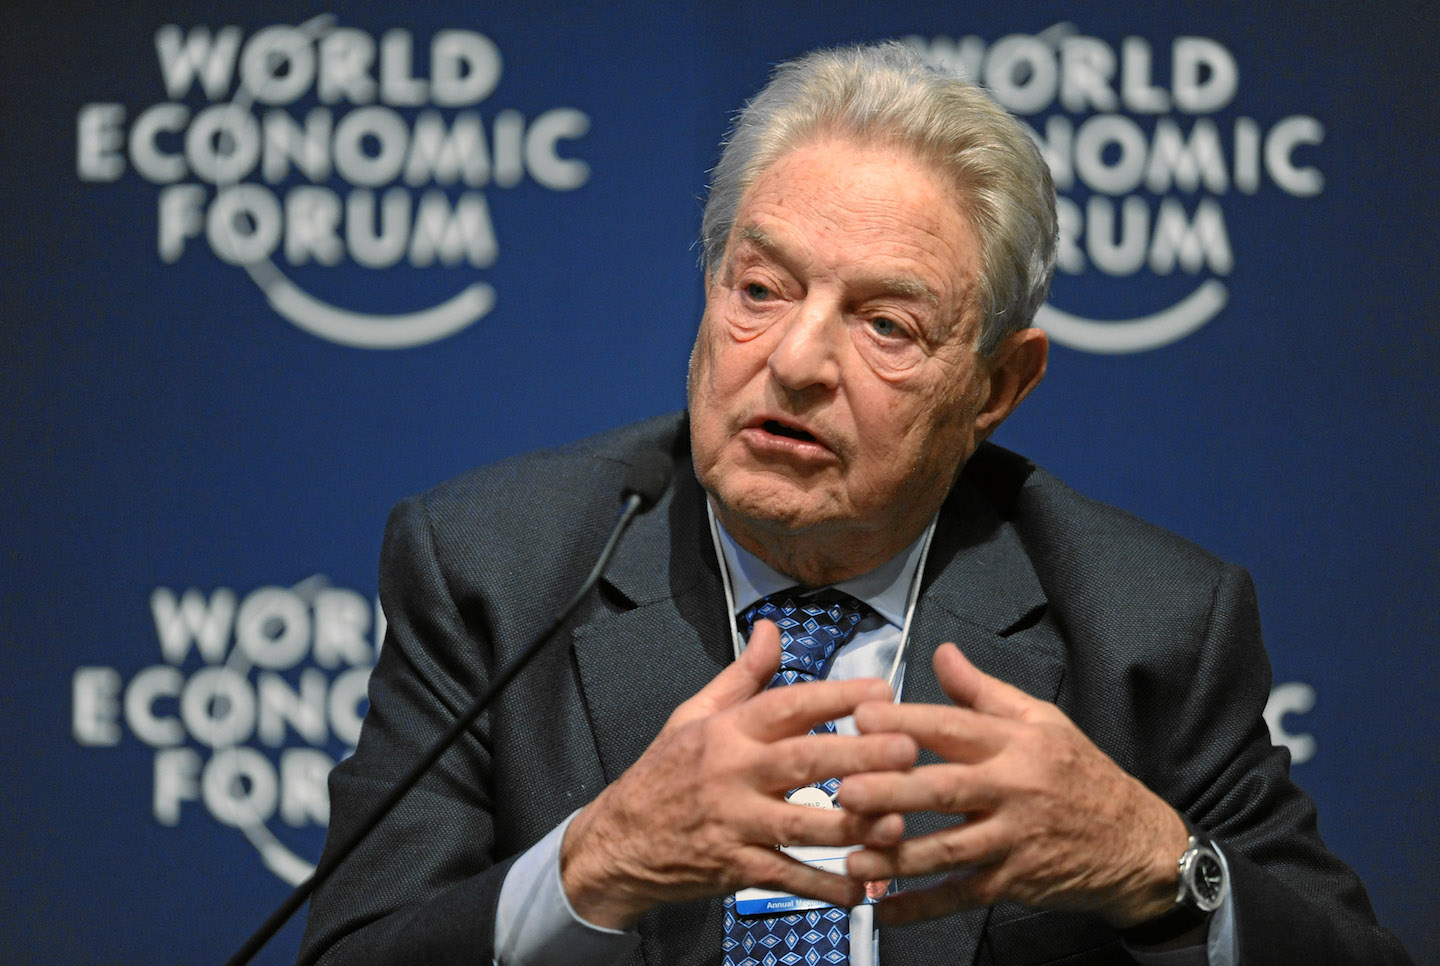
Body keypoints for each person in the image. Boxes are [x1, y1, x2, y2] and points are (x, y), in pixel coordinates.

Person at [297, 43, 1411, 966]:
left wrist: (1155, 868)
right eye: (762, 288)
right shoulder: (494, 568)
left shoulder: (1149, 625)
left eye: (886, 325)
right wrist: (594, 863)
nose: (794, 362)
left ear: (998, 386)